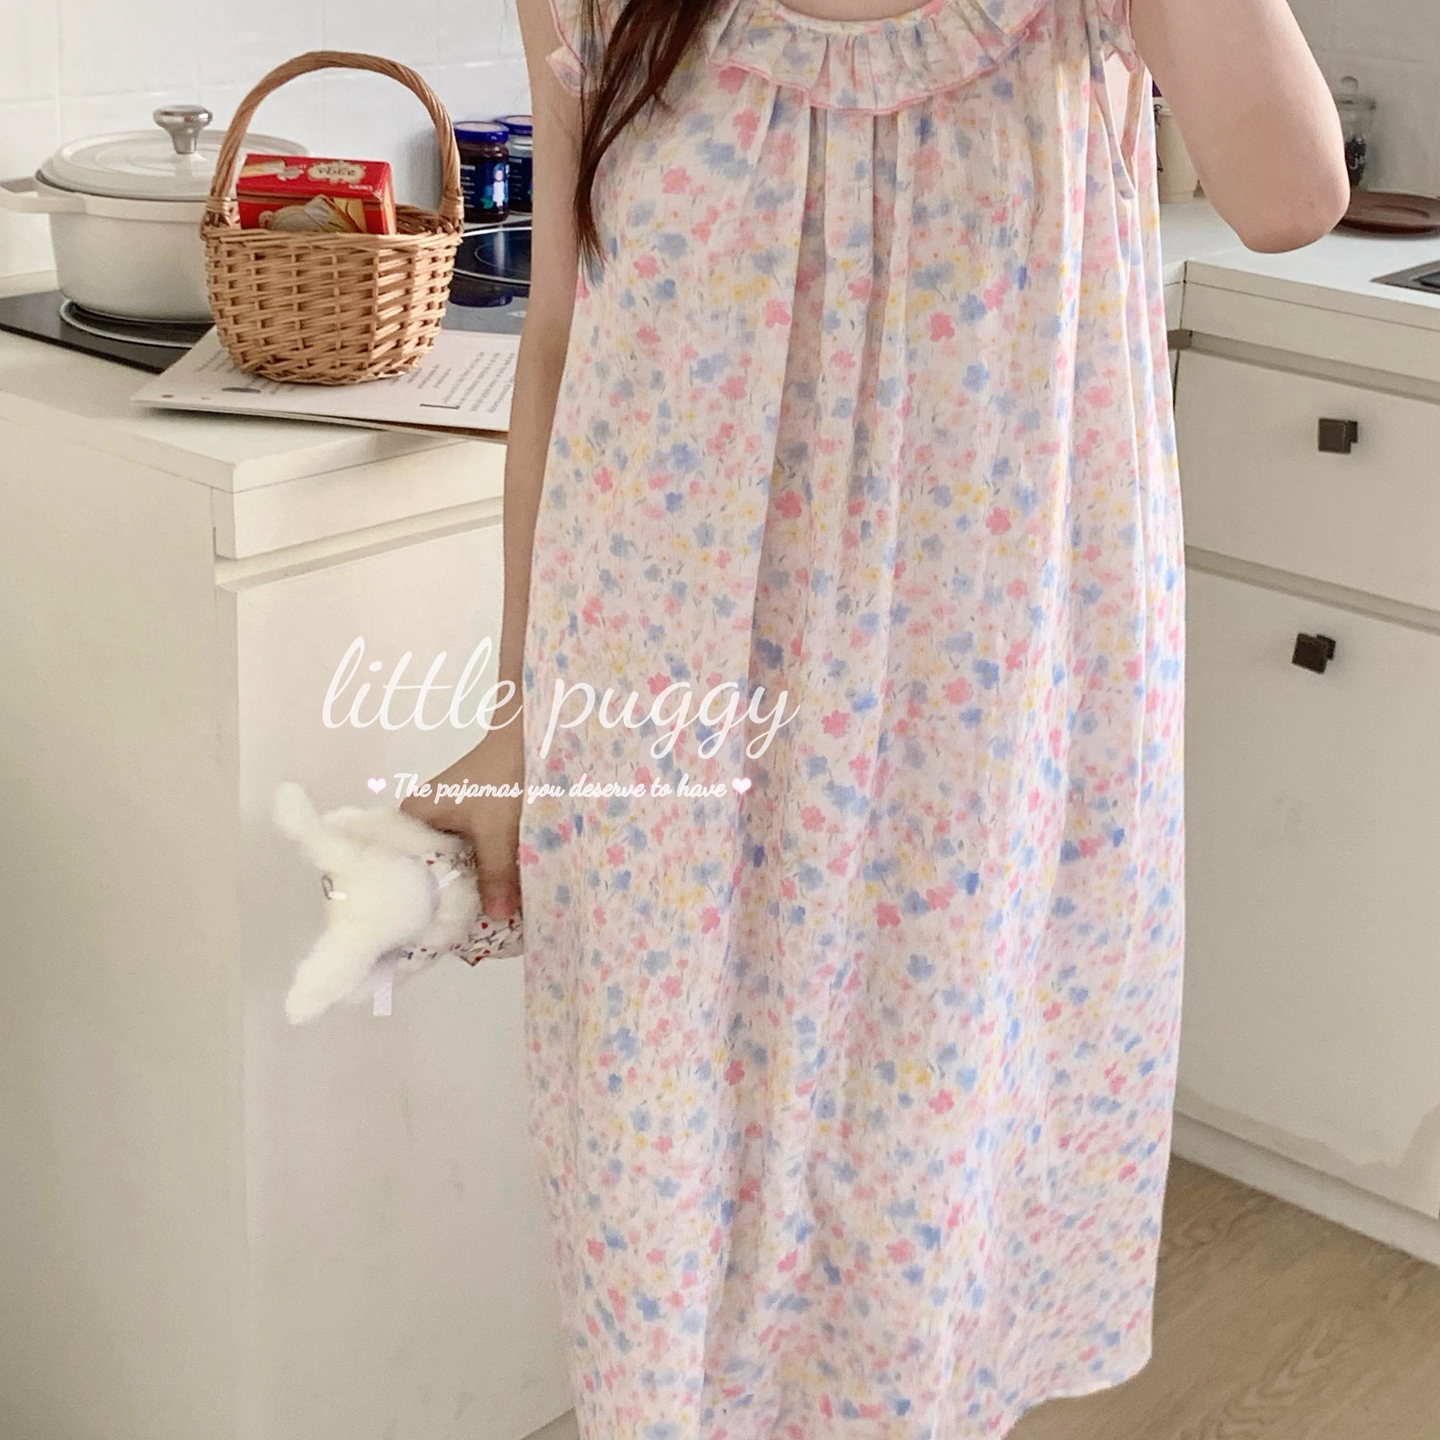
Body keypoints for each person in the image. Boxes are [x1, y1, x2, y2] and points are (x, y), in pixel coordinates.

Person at [406, 0, 1347, 1434]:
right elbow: (560, 338)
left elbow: (1289, 196)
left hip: (969, 743)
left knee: (914, 1232)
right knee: (664, 1221)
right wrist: (520, 716)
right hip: (665, 715)